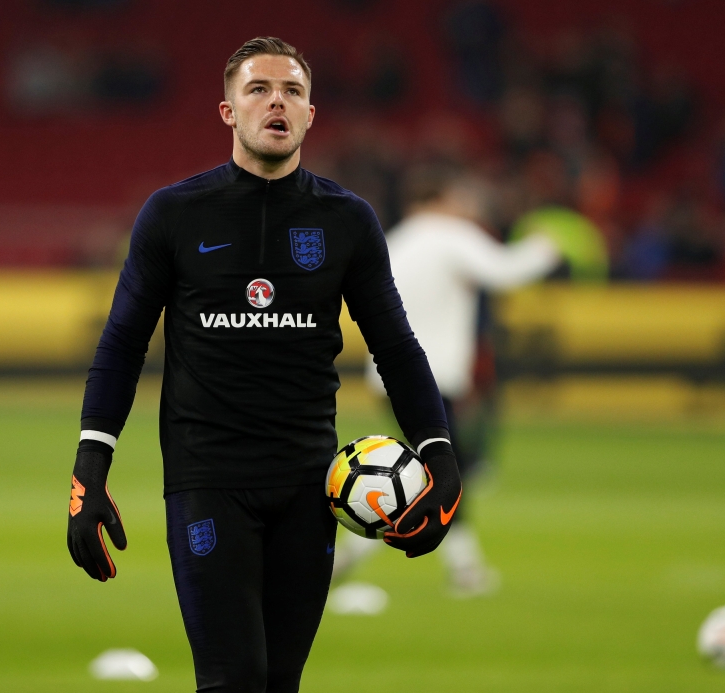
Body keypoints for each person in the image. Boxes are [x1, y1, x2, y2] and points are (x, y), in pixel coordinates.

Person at [64, 37, 462, 693]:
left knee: (279, 681)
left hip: (309, 485)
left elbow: (395, 346)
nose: (276, 101)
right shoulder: (174, 214)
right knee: (232, 678)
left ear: (310, 114)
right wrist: (90, 464)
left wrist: (440, 457)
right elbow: (122, 344)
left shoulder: (347, 220)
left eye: (292, 91)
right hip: (207, 479)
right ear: (228, 111)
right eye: (258, 89)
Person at [334, 169, 560, 596]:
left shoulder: (394, 240)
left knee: (422, 472)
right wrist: (546, 247)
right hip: (435, 377)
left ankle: (355, 552)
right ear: (440, 199)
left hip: (389, 376)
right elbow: (504, 270)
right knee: (444, 471)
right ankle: (463, 568)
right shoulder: (450, 236)